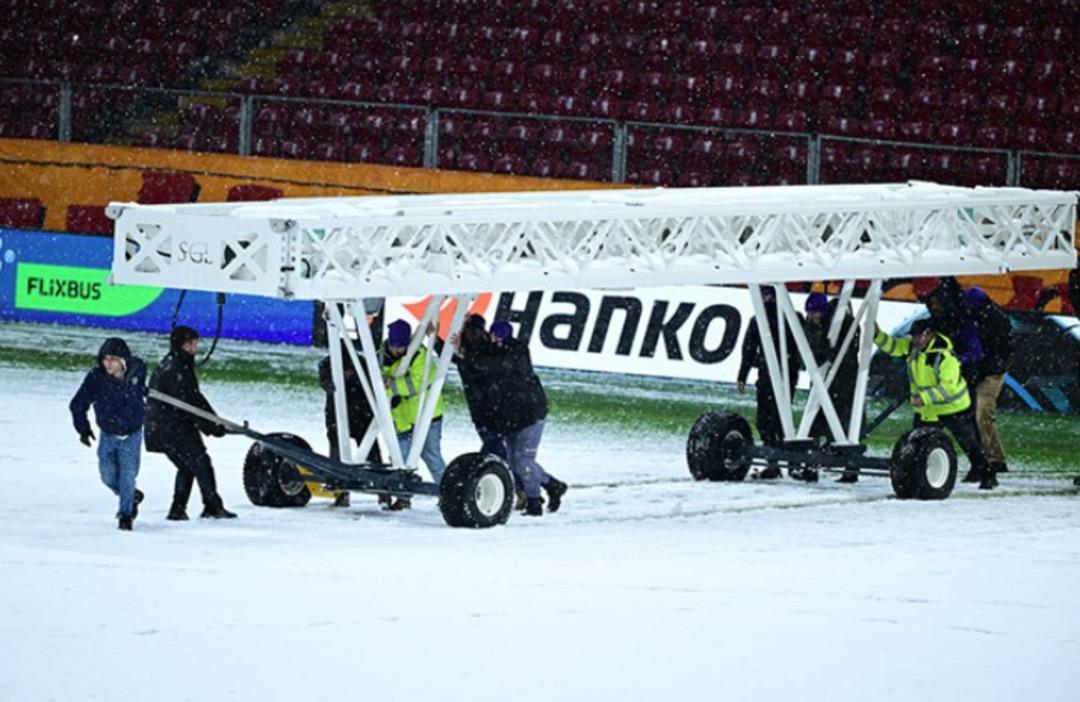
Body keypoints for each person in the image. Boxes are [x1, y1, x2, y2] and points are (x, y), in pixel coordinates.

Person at [874, 318, 996, 490]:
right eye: (913, 336)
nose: (914, 340)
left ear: (929, 335)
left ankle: (987, 474)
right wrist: (877, 335)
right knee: (918, 445)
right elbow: (894, 346)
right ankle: (922, 475)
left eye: (918, 336)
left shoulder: (945, 357)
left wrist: (924, 397)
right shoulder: (914, 348)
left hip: (954, 407)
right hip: (928, 409)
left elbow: (948, 388)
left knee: (969, 444)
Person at [145, 326, 237, 520]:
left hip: (161, 427)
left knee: (187, 467)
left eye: (195, 343)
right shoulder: (177, 369)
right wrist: (212, 426)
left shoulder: (174, 364)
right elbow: (191, 402)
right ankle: (212, 506)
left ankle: (178, 509)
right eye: (191, 344)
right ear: (181, 345)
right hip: (173, 427)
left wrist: (214, 423)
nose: (195, 348)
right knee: (201, 464)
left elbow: (193, 400)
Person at [487, 320, 567, 516]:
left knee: (523, 462)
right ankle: (552, 485)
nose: (494, 340)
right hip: (513, 417)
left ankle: (534, 501)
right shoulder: (499, 354)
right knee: (516, 463)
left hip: (530, 416)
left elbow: (499, 366)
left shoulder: (516, 353)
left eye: (497, 337)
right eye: (492, 336)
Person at [69, 338, 147, 531]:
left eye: (113, 359)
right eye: (105, 359)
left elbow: (140, 386)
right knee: (108, 477)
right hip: (108, 435)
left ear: (123, 360)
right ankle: (131, 496)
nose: (107, 363)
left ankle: (125, 515)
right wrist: (83, 428)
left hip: (132, 435)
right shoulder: (96, 378)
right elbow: (78, 404)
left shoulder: (137, 372)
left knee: (128, 476)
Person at [737, 285, 802, 479]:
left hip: (780, 373)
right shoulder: (764, 319)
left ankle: (783, 460)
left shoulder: (768, 319)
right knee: (770, 419)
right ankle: (781, 461)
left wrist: (743, 373)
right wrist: (743, 374)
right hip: (775, 373)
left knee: (773, 418)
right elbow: (749, 349)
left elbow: (749, 349)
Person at [380, 319, 446, 510]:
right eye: (393, 346)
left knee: (431, 456)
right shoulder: (381, 354)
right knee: (399, 458)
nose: (395, 350)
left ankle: (447, 492)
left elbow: (416, 384)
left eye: (400, 347)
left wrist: (390, 385)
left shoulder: (421, 357)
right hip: (400, 416)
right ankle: (403, 496)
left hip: (427, 415)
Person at [804, 293, 862, 483]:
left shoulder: (845, 326)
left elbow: (845, 352)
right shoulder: (821, 326)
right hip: (826, 378)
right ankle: (814, 466)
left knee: (839, 423)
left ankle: (847, 467)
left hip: (842, 380)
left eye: (814, 313)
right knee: (818, 424)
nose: (811, 317)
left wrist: (827, 354)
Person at [319, 338, 383, 507]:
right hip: (342, 415)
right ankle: (342, 490)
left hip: (358, 413)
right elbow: (327, 384)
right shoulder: (328, 364)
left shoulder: (359, 364)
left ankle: (380, 490)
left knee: (369, 451)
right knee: (339, 452)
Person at [961, 286, 1014, 481]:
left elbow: (1003, 351)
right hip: (986, 370)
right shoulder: (993, 317)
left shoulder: (996, 321)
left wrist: (987, 367)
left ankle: (992, 458)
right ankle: (991, 458)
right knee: (982, 415)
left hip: (990, 373)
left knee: (982, 413)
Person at [452, 314, 509, 461]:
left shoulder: (484, 349)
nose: (473, 334)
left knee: (493, 448)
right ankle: (517, 479)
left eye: (475, 330)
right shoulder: (468, 348)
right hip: (484, 409)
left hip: (493, 408)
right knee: (495, 448)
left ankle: (515, 479)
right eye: (470, 330)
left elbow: (476, 363)